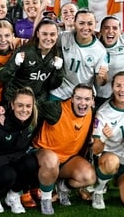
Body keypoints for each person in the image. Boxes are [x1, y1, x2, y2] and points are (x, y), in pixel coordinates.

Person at [33, 84, 96, 215]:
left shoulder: (91, 112)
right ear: (72, 98)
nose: (82, 103)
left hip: (67, 159)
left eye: (87, 99)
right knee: (51, 160)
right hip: (43, 155)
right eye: (78, 98)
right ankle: (46, 199)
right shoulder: (57, 109)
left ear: (92, 101)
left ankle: (63, 187)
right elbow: (32, 106)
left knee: (89, 177)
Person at [91, 71, 124, 209]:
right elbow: (95, 149)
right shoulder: (103, 113)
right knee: (113, 161)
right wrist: (103, 137)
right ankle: (99, 190)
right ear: (112, 87)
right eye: (118, 85)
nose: (122, 90)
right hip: (108, 160)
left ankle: (119, 181)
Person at [49, 8, 108, 101]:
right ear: (75, 23)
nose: (85, 27)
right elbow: (44, 42)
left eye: (90, 23)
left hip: (82, 96)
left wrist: (102, 77)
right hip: (60, 92)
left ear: (95, 24)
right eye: (81, 23)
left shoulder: (100, 51)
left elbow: (101, 82)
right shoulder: (64, 37)